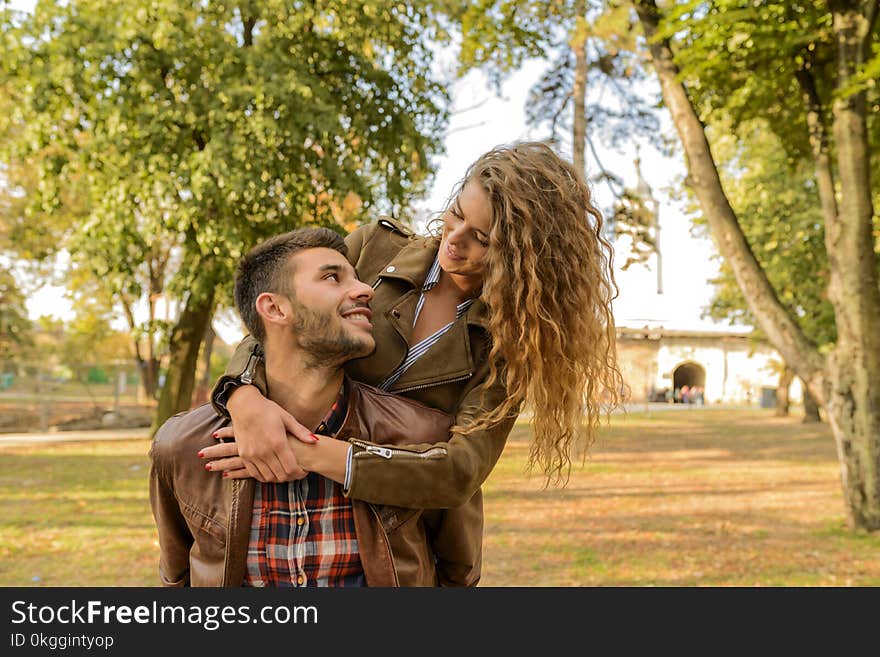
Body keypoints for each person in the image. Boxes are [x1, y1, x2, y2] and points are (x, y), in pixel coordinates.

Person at [202, 141, 625, 581]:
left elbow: (459, 470)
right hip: (287, 506)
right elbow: (278, 322)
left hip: (402, 537)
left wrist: (312, 452)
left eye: (482, 239)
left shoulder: (510, 347)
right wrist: (243, 396)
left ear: (524, 258)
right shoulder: (372, 249)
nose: (454, 240)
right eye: (457, 214)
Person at [149, 227, 467, 586]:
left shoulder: (421, 438)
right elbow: (178, 578)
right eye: (332, 277)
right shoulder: (183, 448)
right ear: (275, 308)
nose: (365, 290)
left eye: (357, 278)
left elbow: (458, 575)